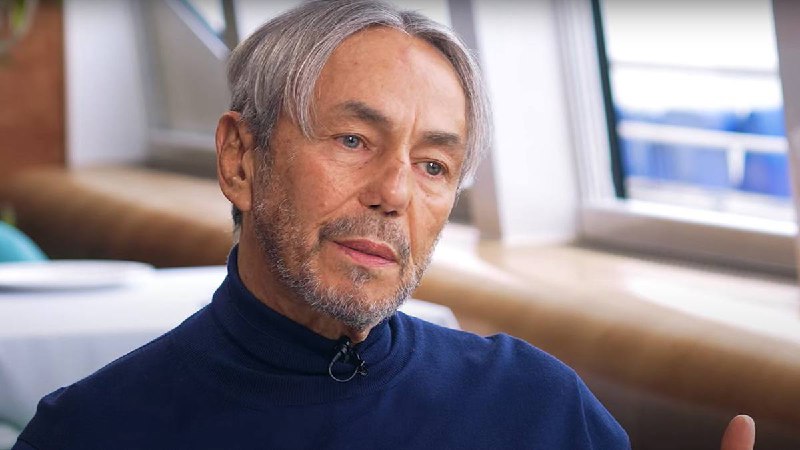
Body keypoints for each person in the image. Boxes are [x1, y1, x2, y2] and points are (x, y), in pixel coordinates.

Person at [13, 1, 754, 449]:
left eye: (433, 164)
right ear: (241, 159)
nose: (394, 193)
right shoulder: (92, 432)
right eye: (352, 140)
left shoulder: (538, 407)